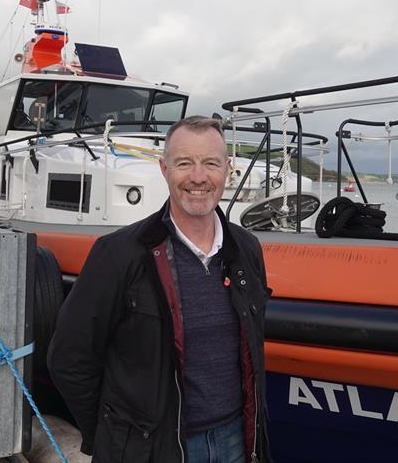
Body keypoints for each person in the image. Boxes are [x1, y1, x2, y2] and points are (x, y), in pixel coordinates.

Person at [48, 116, 272, 463]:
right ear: (164, 168)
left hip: (234, 442)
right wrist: (116, 437)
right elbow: (69, 358)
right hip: (152, 450)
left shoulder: (247, 249)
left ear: (228, 169)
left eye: (210, 163)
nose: (198, 177)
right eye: (184, 163)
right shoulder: (120, 253)